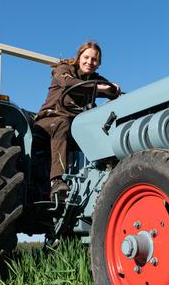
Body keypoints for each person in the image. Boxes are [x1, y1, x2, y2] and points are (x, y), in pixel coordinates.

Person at [34, 41, 120, 201]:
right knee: (62, 123)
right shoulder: (63, 70)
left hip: (76, 123)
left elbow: (109, 88)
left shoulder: (94, 78)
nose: (90, 62)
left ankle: (110, 174)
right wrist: (100, 88)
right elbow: (69, 83)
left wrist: (114, 90)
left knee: (101, 129)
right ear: (79, 57)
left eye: (94, 59)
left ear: (99, 63)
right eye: (86, 57)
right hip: (50, 119)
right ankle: (56, 181)